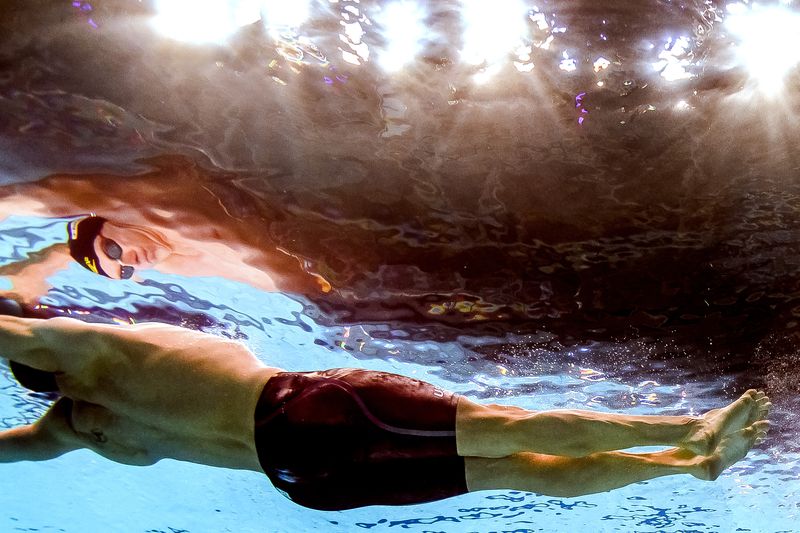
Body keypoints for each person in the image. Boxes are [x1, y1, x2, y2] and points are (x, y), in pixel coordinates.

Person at [0, 308, 771, 511]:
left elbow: (11, 451)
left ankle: (684, 465)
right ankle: (686, 432)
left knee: (520, 475)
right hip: (315, 413)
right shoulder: (103, 348)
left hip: (309, 481)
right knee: (508, 427)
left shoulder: (74, 428)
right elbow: (18, 331)